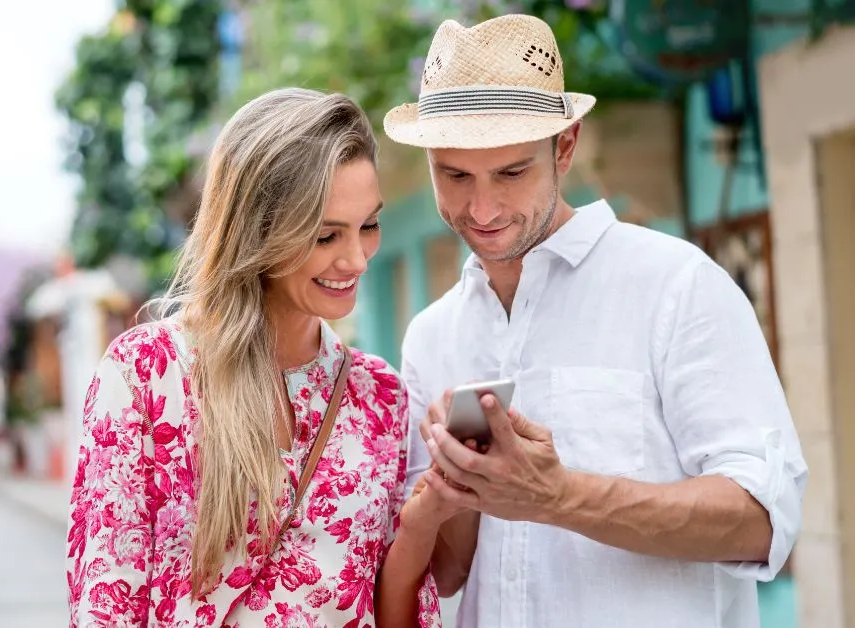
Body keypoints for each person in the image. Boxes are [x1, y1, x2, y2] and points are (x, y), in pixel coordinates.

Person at [383, 14, 809, 628]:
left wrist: (558, 495)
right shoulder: (432, 334)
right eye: (454, 175)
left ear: (565, 145)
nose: (481, 209)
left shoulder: (675, 286)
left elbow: (762, 522)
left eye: (510, 173)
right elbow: (448, 574)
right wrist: (461, 487)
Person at [67, 88, 449, 627]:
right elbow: (106, 602)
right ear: (258, 232)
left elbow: (393, 610)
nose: (357, 259)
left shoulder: (379, 397)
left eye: (368, 226)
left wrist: (426, 517)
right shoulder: (147, 375)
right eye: (325, 235)